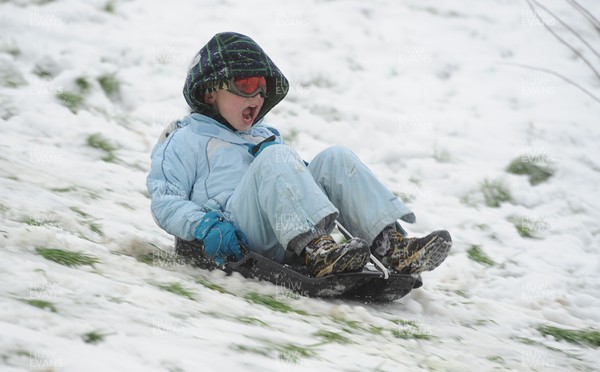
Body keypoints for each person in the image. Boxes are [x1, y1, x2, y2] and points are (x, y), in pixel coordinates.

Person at [146, 32, 452, 278]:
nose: (257, 97)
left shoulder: (264, 136)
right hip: (233, 233)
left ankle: (390, 246)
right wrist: (204, 226)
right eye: (247, 85)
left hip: (281, 228)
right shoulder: (187, 137)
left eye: (262, 88)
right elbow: (165, 200)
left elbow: (289, 181)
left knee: (336, 158)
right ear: (209, 92)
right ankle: (317, 250)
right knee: (275, 157)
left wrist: (299, 172)